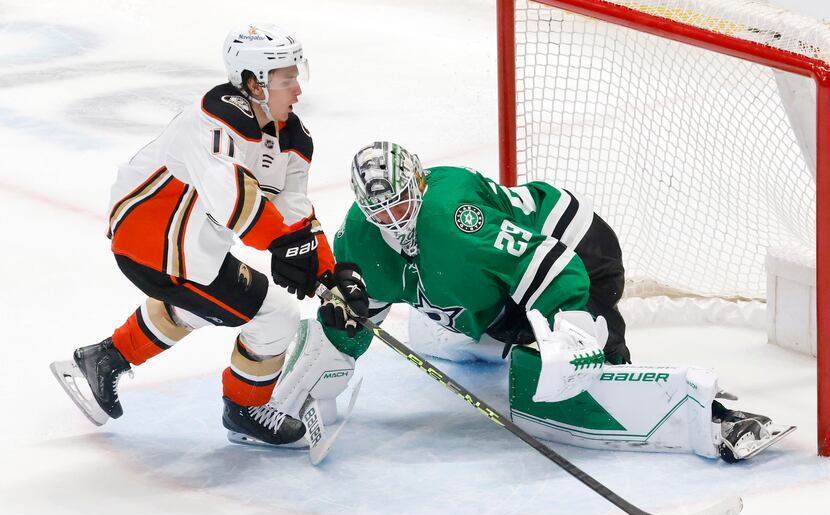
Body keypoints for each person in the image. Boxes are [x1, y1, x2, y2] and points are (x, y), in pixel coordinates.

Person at [272, 141, 793, 463]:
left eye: (403, 203)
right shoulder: (360, 239)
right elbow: (365, 307)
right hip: (498, 282)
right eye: (380, 213)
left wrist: (570, 335)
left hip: (576, 252)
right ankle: (492, 334)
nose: (395, 221)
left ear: (419, 182)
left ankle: (717, 420)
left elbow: (555, 267)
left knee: (578, 354)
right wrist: (331, 350)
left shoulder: (453, 221)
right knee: (478, 324)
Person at [49, 24, 368, 448]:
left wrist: (331, 275)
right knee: (275, 317)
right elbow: (234, 203)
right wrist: (284, 245)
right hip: (151, 241)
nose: (297, 91)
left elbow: (295, 213)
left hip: (192, 251)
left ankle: (104, 359)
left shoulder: (293, 138)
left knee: (209, 304)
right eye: (286, 79)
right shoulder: (218, 115)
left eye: (297, 76)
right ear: (254, 82)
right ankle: (245, 410)